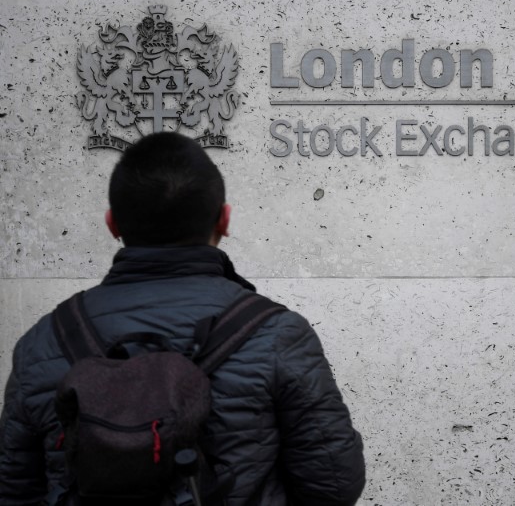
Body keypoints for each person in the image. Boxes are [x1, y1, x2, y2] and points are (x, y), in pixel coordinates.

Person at [0, 132, 365, 505]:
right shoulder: (278, 335)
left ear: (112, 225)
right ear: (224, 220)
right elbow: (335, 485)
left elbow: (14, 491)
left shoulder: (43, 342)